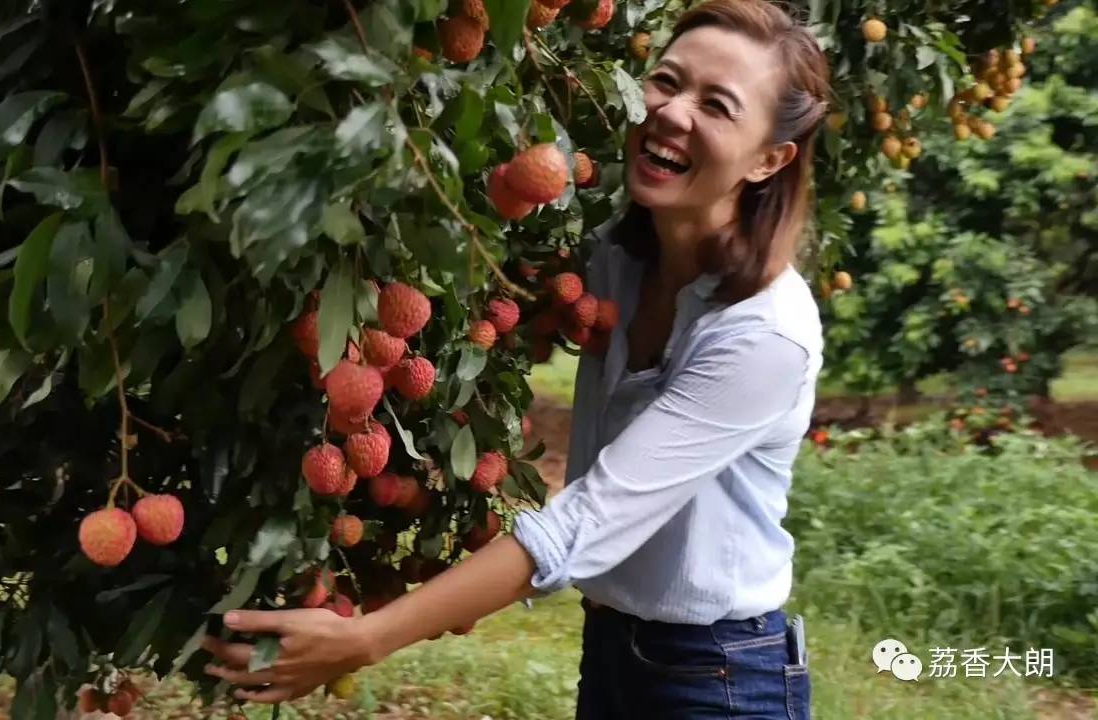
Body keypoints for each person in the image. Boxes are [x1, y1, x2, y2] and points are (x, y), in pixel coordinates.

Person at [201, 0, 831, 716]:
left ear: (770, 158)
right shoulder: (615, 260)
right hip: (616, 649)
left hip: (721, 676)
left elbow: (588, 519)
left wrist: (369, 637)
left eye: (717, 105)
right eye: (666, 80)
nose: (672, 113)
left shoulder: (765, 334)